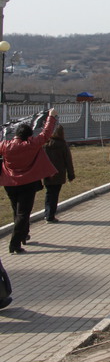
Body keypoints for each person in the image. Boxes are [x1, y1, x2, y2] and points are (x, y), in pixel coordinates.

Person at [0, 108, 58, 254]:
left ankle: (23, 235)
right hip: (27, 183)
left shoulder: (5, 146)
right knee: (23, 213)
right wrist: (51, 117)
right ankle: (15, 244)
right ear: (28, 136)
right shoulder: (31, 145)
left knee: (16, 211)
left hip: (9, 183)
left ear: (16, 134)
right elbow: (45, 135)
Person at [42, 124, 75, 223]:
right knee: (54, 195)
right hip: (59, 174)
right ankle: (51, 216)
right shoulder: (63, 145)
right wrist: (71, 174)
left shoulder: (45, 145)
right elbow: (68, 161)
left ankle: (47, 213)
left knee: (48, 193)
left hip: (47, 173)